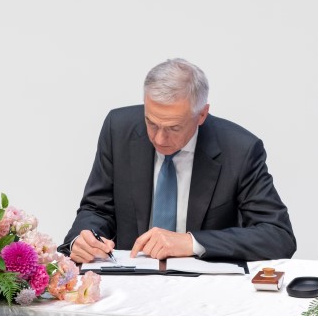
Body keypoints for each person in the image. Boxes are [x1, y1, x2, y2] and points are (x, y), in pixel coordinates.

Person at [63, 58, 296, 264]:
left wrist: (190, 242)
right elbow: (96, 209)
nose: (159, 139)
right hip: (130, 280)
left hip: (204, 286)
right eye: (151, 123)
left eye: (174, 128)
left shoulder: (240, 150)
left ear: (202, 114)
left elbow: (278, 235)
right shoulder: (118, 129)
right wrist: (83, 239)